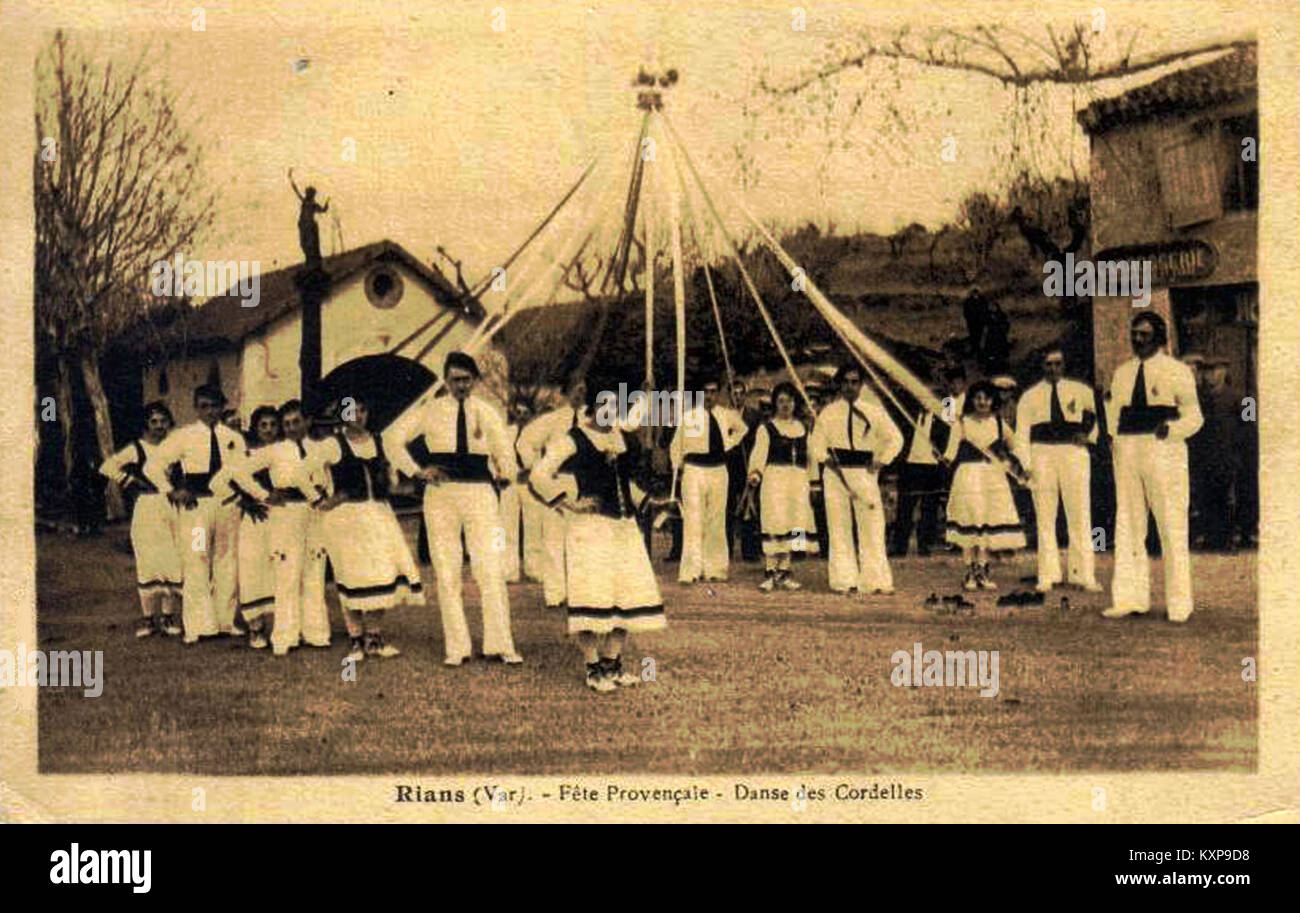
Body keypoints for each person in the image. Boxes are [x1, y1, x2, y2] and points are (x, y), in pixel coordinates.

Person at [529, 377, 665, 693]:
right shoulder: (573, 439)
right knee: (592, 598)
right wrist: (567, 502)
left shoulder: (620, 437)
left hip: (623, 529)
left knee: (626, 596)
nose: (612, 410)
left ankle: (611, 663)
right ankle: (592, 667)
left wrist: (651, 502)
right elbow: (539, 474)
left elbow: (624, 483)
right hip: (589, 530)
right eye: (607, 404)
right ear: (593, 405)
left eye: (616, 404)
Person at [387, 351, 522, 665]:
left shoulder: (487, 412)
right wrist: (417, 471)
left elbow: (506, 454)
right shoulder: (431, 410)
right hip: (442, 493)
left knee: (489, 567)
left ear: (475, 380)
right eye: (454, 380)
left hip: (479, 493)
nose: (460, 385)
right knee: (447, 570)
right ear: (445, 381)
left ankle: (500, 644)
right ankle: (457, 648)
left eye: (466, 379)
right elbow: (392, 439)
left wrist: (506, 474)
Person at [1102, 312, 1202, 622]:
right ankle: (1130, 599)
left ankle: (1179, 604)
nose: (1137, 339)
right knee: (1128, 524)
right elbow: (1113, 413)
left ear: (1159, 337)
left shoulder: (1178, 372)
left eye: (1144, 334)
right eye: (1134, 333)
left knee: (1171, 524)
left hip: (1164, 452)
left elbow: (1195, 417)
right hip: (1129, 451)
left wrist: (1171, 430)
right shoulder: (1122, 373)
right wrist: (1116, 441)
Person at [312, 394, 422, 661]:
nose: (358, 416)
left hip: (378, 516)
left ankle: (374, 638)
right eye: (352, 411)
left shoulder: (381, 441)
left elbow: (404, 468)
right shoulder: (332, 445)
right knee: (351, 576)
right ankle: (355, 639)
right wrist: (321, 497)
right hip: (346, 520)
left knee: (381, 573)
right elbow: (302, 472)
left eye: (362, 410)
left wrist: (405, 475)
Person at [222, 400, 331, 655]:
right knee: (287, 574)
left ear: (307, 421)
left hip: (314, 512)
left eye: (296, 422)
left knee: (314, 570)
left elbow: (328, 475)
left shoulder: (319, 448)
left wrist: (327, 493)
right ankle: (285, 635)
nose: (292, 427)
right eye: (287, 424)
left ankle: (315, 632)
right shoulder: (277, 450)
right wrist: (263, 494)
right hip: (285, 513)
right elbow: (239, 472)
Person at [153, 384, 245, 642]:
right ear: (196, 408)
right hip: (197, 509)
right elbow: (154, 466)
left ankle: (226, 621)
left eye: (215, 406)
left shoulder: (234, 438)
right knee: (196, 559)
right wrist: (172, 491)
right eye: (204, 406)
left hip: (227, 506)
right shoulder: (184, 436)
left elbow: (242, 471)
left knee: (227, 561)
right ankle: (198, 624)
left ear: (222, 407)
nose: (210, 412)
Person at [808, 363, 904, 595]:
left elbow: (896, 438)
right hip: (836, 474)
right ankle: (844, 579)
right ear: (839, 385)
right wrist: (826, 459)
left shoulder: (873, 411)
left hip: (864, 472)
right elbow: (815, 443)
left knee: (872, 525)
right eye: (846, 382)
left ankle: (876, 580)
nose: (850, 387)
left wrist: (882, 460)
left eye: (855, 382)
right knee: (839, 526)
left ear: (861, 385)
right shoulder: (829, 412)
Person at [1015, 349, 1101, 592]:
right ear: (1042, 366)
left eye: (1058, 363)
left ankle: (1084, 575)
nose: (1053, 368)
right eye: (1048, 364)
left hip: (1073, 454)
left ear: (1064, 365)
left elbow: (1097, 416)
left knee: (1080, 514)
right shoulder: (1030, 397)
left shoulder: (1080, 390)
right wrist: (1027, 465)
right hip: (1042, 453)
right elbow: (1021, 434)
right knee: (1045, 516)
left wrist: (1089, 437)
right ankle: (1047, 575)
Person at [97, 401, 184, 638]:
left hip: (171, 505)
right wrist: (129, 481)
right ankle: (148, 619)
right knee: (148, 561)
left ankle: (168, 618)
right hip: (147, 507)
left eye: (163, 421)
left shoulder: (174, 446)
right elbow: (107, 466)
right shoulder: (137, 448)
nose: (159, 426)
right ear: (146, 423)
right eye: (154, 421)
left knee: (171, 561)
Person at [942, 380, 1028, 590]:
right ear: (972, 400)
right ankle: (970, 571)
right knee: (971, 522)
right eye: (978, 398)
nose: (982, 402)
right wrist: (945, 459)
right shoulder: (961, 424)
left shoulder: (999, 423)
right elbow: (950, 453)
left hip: (993, 478)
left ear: (992, 401)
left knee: (988, 523)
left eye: (987, 398)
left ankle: (984, 569)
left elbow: (1016, 446)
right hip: (968, 477)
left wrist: (1019, 464)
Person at [212, 405, 281, 648]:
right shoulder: (245, 455)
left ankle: (282, 627)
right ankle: (256, 627)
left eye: (273, 425)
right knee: (252, 571)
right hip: (253, 519)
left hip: (281, 519)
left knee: (279, 571)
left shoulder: (287, 452)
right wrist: (244, 501)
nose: (269, 430)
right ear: (255, 428)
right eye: (263, 425)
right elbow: (218, 483)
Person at [516, 376, 587, 608]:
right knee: (554, 538)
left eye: (583, 391)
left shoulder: (590, 419)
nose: (579, 395)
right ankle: (555, 593)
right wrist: (535, 466)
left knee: (580, 538)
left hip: (582, 480)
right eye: (575, 391)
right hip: (556, 480)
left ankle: (578, 592)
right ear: (565, 394)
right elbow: (524, 441)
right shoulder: (553, 419)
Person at [670, 376, 748, 583]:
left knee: (716, 520)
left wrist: (729, 443)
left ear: (718, 394)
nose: (710, 396)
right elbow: (675, 446)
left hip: (718, 470)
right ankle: (691, 570)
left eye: (714, 392)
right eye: (706, 391)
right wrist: (679, 468)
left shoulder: (726, 414)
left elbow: (743, 429)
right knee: (694, 519)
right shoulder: (689, 416)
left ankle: (715, 568)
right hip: (694, 469)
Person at [746, 382, 818, 591]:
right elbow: (759, 454)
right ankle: (770, 572)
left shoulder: (803, 428)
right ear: (775, 404)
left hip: (798, 481)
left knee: (794, 523)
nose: (786, 405)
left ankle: (785, 572)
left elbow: (811, 458)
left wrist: (814, 483)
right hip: (775, 480)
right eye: (781, 401)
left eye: (790, 400)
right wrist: (755, 473)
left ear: (796, 403)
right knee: (775, 522)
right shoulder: (766, 428)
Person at [889, 383, 948, 558]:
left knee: (929, 508)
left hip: (932, 465)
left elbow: (952, 424)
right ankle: (900, 546)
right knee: (904, 507)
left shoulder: (944, 415)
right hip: (911, 464)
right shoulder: (909, 413)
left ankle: (925, 545)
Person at [497, 394, 535, 583]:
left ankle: (534, 568)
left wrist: (531, 471)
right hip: (510, 483)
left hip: (530, 484)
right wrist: (498, 474)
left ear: (531, 415)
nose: (521, 416)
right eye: (518, 412)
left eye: (525, 413)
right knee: (506, 527)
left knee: (533, 528)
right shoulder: (506, 432)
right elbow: (495, 455)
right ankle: (508, 570)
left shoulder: (537, 433)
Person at [289, 168, 329, 268]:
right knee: (304, 245)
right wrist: (290, 178)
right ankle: (310, 263)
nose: (307, 194)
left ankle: (312, 264)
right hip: (303, 225)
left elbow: (323, 210)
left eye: (309, 193)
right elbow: (296, 190)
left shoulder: (312, 204)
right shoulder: (306, 202)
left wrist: (327, 204)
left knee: (310, 246)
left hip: (309, 226)